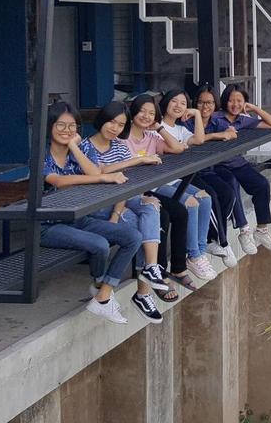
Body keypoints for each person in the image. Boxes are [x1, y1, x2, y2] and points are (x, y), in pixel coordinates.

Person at [40, 101, 140, 325]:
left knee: (132, 237)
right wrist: (102, 178)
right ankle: (98, 286)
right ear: (49, 127)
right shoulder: (41, 156)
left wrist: (74, 147)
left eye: (72, 126)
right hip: (48, 226)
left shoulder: (80, 149)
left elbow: (94, 170)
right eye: (60, 125)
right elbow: (58, 181)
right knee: (100, 244)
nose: (67, 131)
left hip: (79, 219)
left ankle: (104, 294)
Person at [80, 101, 170, 322]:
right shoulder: (85, 146)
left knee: (150, 206)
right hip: (95, 205)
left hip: (120, 201)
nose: (114, 128)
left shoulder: (119, 146)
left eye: (120, 125)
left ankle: (150, 267)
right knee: (141, 225)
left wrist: (117, 214)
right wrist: (138, 159)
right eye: (111, 122)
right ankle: (143, 291)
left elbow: (125, 185)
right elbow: (96, 173)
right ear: (102, 120)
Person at [125, 93, 215, 288]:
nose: (146, 116)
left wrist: (158, 128)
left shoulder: (151, 136)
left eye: (151, 113)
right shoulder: (123, 139)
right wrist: (142, 159)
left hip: (157, 184)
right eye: (142, 111)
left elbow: (176, 148)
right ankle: (162, 270)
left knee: (196, 203)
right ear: (132, 113)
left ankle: (192, 257)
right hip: (139, 190)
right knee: (170, 213)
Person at [160, 88, 241, 269]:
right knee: (195, 201)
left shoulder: (180, 129)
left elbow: (198, 139)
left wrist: (196, 113)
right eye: (174, 101)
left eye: (183, 103)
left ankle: (200, 251)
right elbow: (176, 147)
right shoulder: (157, 126)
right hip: (163, 181)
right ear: (165, 102)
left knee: (207, 197)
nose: (178, 106)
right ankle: (196, 253)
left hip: (177, 178)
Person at [208, 86, 271, 255]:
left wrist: (254, 108)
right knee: (232, 184)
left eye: (239, 101)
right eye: (231, 100)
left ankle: (261, 230)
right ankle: (244, 231)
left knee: (261, 184)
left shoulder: (243, 119)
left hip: (236, 162)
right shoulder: (216, 118)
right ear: (225, 101)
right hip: (217, 165)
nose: (235, 104)